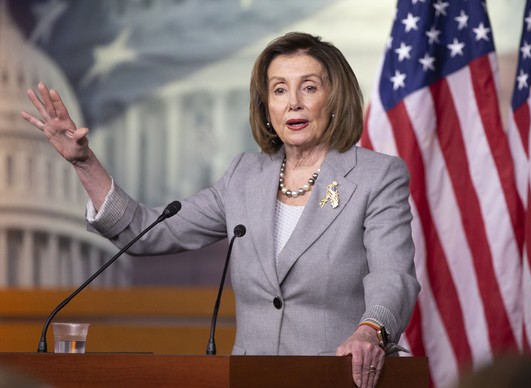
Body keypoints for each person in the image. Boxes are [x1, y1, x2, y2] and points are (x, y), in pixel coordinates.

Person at [21, 32, 420, 388]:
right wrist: (84, 162)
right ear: (266, 108)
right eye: (279, 90)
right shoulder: (243, 177)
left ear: (334, 99)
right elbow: (148, 231)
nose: (294, 103)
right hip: (249, 378)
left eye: (309, 87)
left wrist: (371, 330)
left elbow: (393, 274)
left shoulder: (376, 175)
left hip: (340, 379)